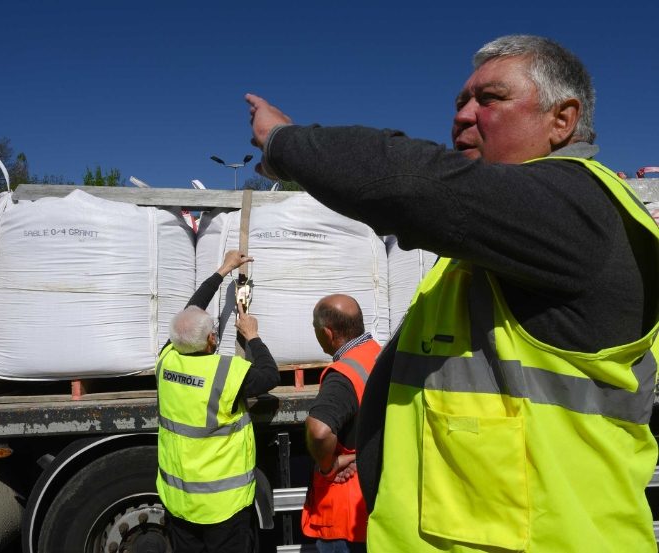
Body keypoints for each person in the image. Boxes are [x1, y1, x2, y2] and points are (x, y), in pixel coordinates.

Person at [245, 35, 659, 552]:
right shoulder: (491, 255)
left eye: (490, 99)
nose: (463, 116)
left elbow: (412, 184)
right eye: (461, 102)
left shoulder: (578, 210)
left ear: (562, 120)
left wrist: (284, 143)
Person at [156, 250, 280, 553]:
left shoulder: (166, 360)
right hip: (223, 506)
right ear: (212, 340)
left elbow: (190, 312)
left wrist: (224, 269)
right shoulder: (226, 374)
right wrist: (252, 335)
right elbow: (270, 375)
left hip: (180, 500)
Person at [302, 294, 380, 553]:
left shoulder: (343, 375)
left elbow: (319, 431)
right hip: (375, 504)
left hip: (344, 515)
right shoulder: (379, 356)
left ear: (327, 333)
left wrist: (330, 466)